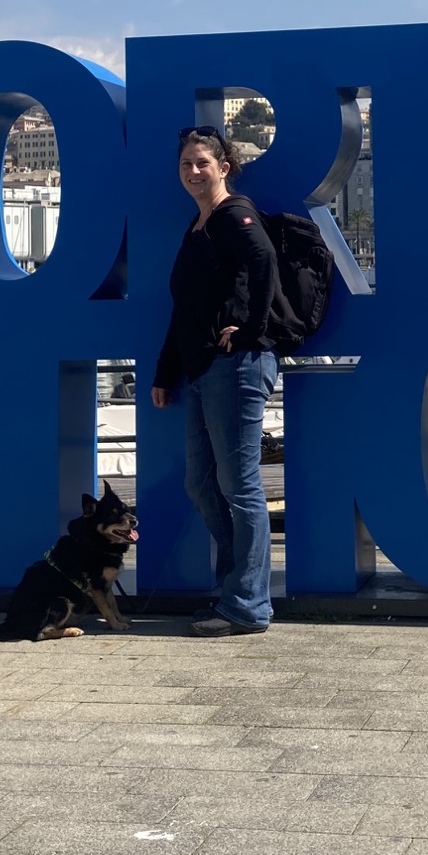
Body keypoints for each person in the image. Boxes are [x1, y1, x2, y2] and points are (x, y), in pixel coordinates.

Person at [151, 125, 280, 638]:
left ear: (223, 167)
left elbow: (265, 260)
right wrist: (166, 372)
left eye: (203, 162)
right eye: (186, 164)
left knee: (241, 488)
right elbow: (184, 309)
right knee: (200, 484)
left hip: (238, 367)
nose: (193, 171)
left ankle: (248, 606)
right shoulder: (197, 226)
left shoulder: (232, 214)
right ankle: (235, 588)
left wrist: (251, 329)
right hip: (203, 370)